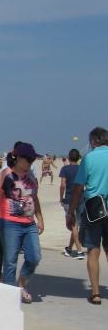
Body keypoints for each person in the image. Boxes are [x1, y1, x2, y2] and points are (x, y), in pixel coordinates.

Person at [0, 141, 44, 303]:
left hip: (29, 222)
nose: (30, 162)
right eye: (28, 159)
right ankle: (10, 296)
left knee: (34, 257)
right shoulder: (5, 174)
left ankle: (21, 285)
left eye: (32, 160)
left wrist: (40, 218)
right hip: (9, 223)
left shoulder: (31, 176)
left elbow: (34, 198)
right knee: (10, 261)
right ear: (18, 158)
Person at [66, 126, 108, 305]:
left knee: (93, 250)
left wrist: (71, 212)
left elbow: (78, 188)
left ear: (93, 141)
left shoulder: (89, 158)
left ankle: (96, 293)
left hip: (93, 210)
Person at [59, 150, 85, 258]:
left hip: (69, 199)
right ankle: (69, 249)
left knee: (73, 225)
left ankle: (79, 251)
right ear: (78, 158)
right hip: (81, 199)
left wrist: (61, 198)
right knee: (75, 225)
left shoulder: (65, 169)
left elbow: (63, 185)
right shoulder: (82, 169)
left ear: (69, 158)